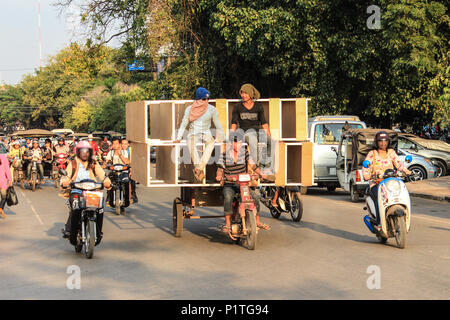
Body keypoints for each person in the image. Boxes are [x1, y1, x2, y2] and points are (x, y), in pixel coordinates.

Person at [215, 134, 270, 233]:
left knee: (255, 196)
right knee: (228, 197)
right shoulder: (224, 155)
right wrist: (219, 176)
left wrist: (262, 174)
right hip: (229, 184)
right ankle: (228, 223)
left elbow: (253, 165)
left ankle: (257, 221)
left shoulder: (244, 153)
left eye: (241, 143)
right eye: (237, 143)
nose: (239, 145)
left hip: (242, 185)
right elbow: (219, 169)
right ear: (232, 143)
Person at [60, 141, 111, 242]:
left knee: (100, 208)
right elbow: (66, 175)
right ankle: (72, 233)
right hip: (76, 190)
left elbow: (102, 174)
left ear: (90, 152)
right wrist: (64, 181)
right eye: (82, 151)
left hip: (92, 190)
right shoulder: (73, 163)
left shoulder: (94, 163)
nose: (85, 153)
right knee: (75, 207)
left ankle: (98, 232)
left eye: (87, 151)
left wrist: (107, 181)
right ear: (78, 152)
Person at [175, 87, 224, 182]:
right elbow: (184, 123)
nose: (206, 101)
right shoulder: (189, 109)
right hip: (193, 133)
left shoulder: (211, 109)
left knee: (211, 143)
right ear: (198, 99)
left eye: (208, 99)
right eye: (204, 99)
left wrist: (223, 137)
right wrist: (178, 137)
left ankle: (198, 168)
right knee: (191, 144)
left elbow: (218, 123)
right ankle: (199, 168)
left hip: (206, 132)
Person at [362, 131, 412, 224]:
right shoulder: (372, 153)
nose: (383, 143)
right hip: (376, 183)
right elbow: (365, 167)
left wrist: (406, 171)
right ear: (376, 142)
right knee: (379, 197)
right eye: (380, 141)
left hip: (390, 182)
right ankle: (379, 221)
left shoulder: (391, 152)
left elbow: (398, 164)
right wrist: (367, 175)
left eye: (385, 141)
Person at [230, 83, 272, 170]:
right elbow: (234, 123)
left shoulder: (258, 106)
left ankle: (266, 166)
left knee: (271, 142)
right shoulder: (237, 107)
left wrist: (269, 136)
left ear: (251, 94)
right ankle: (256, 167)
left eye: (246, 93)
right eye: (242, 93)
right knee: (252, 138)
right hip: (244, 132)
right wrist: (231, 137)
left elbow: (264, 123)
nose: (243, 95)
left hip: (257, 131)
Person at [121, 138, 138, 203]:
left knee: (132, 178)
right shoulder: (119, 150)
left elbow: (132, 161)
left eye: (125, 144)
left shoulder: (131, 150)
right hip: (119, 168)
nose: (124, 145)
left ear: (128, 144)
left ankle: (133, 194)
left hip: (129, 168)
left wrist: (131, 169)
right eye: (122, 144)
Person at [0, 154, 13, 219]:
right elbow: (7, 169)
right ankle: (1, 207)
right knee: (4, 197)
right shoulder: (3, 157)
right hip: (2, 180)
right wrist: (10, 179)